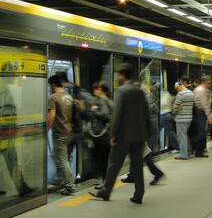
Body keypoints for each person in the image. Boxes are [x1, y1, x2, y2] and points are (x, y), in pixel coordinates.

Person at [90, 63, 150, 204]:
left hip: (123, 136)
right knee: (137, 166)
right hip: (139, 135)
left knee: (113, 165)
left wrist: (113, 135)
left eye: (119, 75)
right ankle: (139, 194)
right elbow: (146, 113)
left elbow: (117, 115)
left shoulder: (122, 91)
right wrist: (146, 132)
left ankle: (105, 192)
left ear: (123, 75)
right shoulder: (140, 91)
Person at [47, 75, 77, 195]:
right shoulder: (68, 96)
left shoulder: (53, 98)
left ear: (53, 85)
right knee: (66, 159)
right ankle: (66, 181)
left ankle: (70, 186)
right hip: (69, 132)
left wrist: (46, 129)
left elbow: (52, 116)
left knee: (62, 160)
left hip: (59, 133)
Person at [86, 82, 114, 189]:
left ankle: (104, 182)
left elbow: (104, 116)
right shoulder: (109, 101)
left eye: (95, 89)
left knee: (101, 160)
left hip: (102, 136)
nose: (94, 91)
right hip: (107, 135)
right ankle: (105, 181)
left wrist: (94, 111)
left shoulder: (103, 101)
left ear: (101, 90)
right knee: (104, 160)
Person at [172, 82, 194, 160]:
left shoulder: (181, 94)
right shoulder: (191, 93)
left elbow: (175, 107)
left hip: (181, 118)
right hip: (189, 117)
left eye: (177, 88)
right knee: (185, 135)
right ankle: (187, 151)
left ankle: (183, 154)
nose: (177, 90)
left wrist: (173, 114)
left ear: (179, 86)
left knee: (181, 136)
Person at [191, 76, 212, 158]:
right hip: (200, 112)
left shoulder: (197, 89)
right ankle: (198, 151)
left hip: (196, 111)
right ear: (205, 81)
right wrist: (209, 116)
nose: (209, 84)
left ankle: (196, 149)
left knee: (198, 132)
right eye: (209, 82)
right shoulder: (202, 90)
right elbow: (204, 104)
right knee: (202, 132)